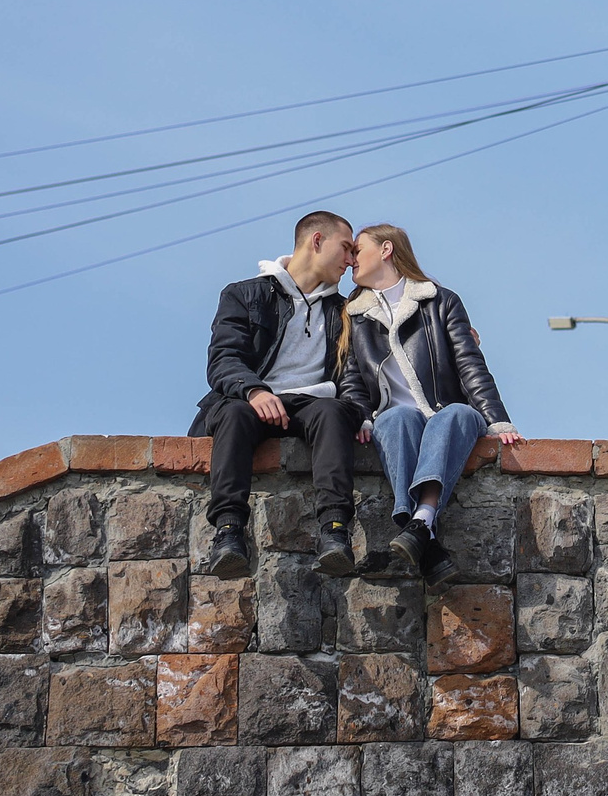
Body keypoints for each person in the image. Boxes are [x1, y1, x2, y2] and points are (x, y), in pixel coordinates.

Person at [339, 223, 521, 580]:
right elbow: (350, 377)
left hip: (445, 411)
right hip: (395, 416)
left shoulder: (440, 299)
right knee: (395, 419)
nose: (350, 260)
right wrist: (360, 416)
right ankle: (424, 533)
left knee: (455, 414)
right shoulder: (353, 314)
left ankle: (420, 522)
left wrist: (498, 421)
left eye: (357, 250)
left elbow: (470, 364)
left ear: (386, 249)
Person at [190, 211, 366, 579]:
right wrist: (254, 390)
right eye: (346, 248)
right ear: (316, 241)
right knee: (234, 414)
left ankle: (335, 532)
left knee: (334, 412)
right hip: (250, 401)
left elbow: (351, 374)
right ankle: (228, 532)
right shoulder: (245, 294)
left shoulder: (345, 311)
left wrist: (360, 414)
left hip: (312, 406)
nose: (351, 261)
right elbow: (224, 359)